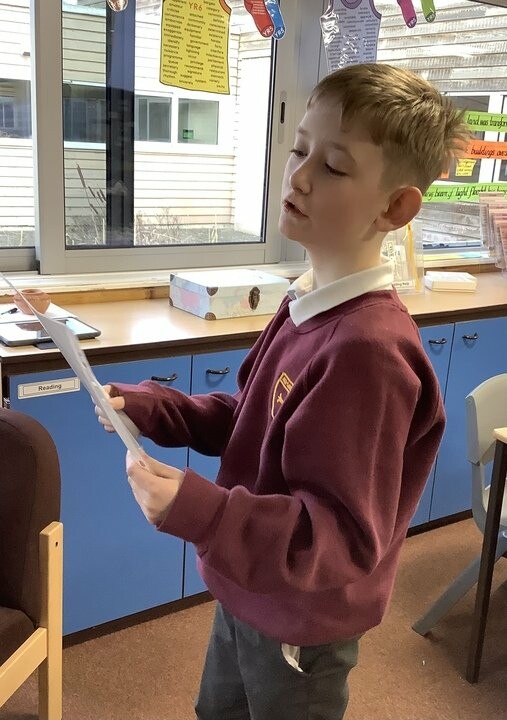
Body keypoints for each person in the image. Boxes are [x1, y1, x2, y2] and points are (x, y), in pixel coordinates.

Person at [96, 63, 470, 719]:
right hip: (248, 588)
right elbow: (252, 420)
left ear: (393, 208)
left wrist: (204, 513)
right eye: (299, 149)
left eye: (333, 166)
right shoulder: (306, 302)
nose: (297, 176)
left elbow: (340, 536)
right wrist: (159, 408)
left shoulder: (367, 351)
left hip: (302, 622)